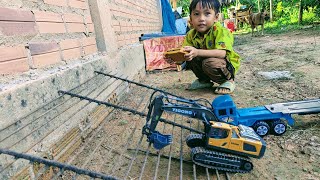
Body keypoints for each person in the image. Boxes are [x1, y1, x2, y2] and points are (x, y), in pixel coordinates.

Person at [182, 0, 241, 94]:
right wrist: (174, 58)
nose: (201, 18)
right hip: (208, 62)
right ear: (191, 18)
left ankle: (228, 81)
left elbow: (222, 53)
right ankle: (204, 80)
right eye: (196, 14)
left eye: (207, 14)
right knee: (190, 57)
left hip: (225, 65)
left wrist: (197, 52)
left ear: (216, 17)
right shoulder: (191, 34)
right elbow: (184, 52)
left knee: (208, 62)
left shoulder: (220, 31)